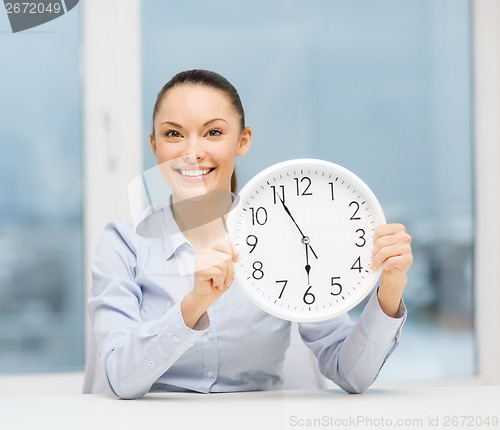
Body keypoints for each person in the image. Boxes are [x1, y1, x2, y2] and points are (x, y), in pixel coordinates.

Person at [84, 69, 413, 399]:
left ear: (242, 141)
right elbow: (120, 378)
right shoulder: (124, 245)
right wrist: (194, 305)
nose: (192, 151)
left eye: (213, 132)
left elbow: (349, 372)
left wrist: (390, 289)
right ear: (154, 145)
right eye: (174, 134)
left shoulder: (288, 237)